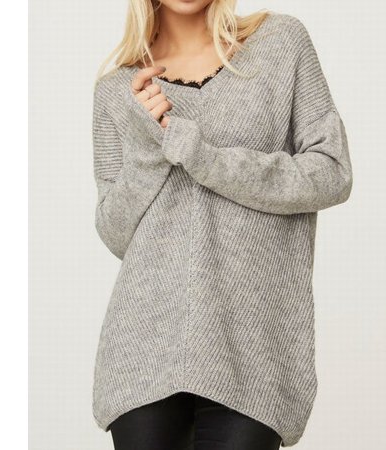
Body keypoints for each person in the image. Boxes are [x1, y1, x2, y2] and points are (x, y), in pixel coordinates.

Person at [91, 1, 353, 449]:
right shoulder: (117, 89)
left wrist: (202, 155)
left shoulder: (280, 43)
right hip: (143, 349)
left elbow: (332, 172)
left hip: (252, 347)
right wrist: (147, 146)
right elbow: (116, 232)